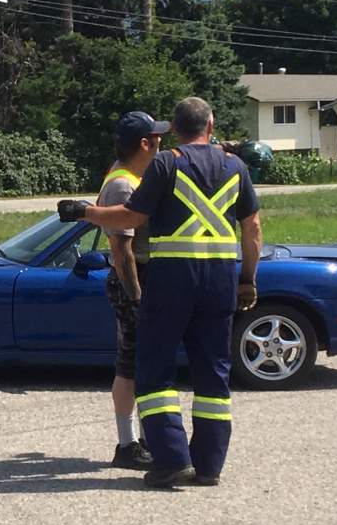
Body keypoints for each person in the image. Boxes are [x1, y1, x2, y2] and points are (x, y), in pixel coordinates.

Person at [58, 97, 262, 488]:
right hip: (220, 280)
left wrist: (85, 212)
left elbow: (131, 217)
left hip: (172, 279)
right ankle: (209, 465)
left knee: (154, 368)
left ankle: (171, 459)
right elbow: (251, 228)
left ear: (178, 129)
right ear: (211, 124)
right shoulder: (236, 167)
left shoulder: (167, 164)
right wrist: (247, 278)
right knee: (214, 374)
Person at [98, 111, 169, 471]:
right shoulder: (124, 185)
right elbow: (122, 251)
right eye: (158, 138)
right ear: (145, 144)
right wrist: (136, 296)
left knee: (138, 364)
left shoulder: (128, 175)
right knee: (130, 366)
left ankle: (142, 438)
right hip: (132, 280)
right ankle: (127, 445)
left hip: (138, 277)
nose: (162, 143)